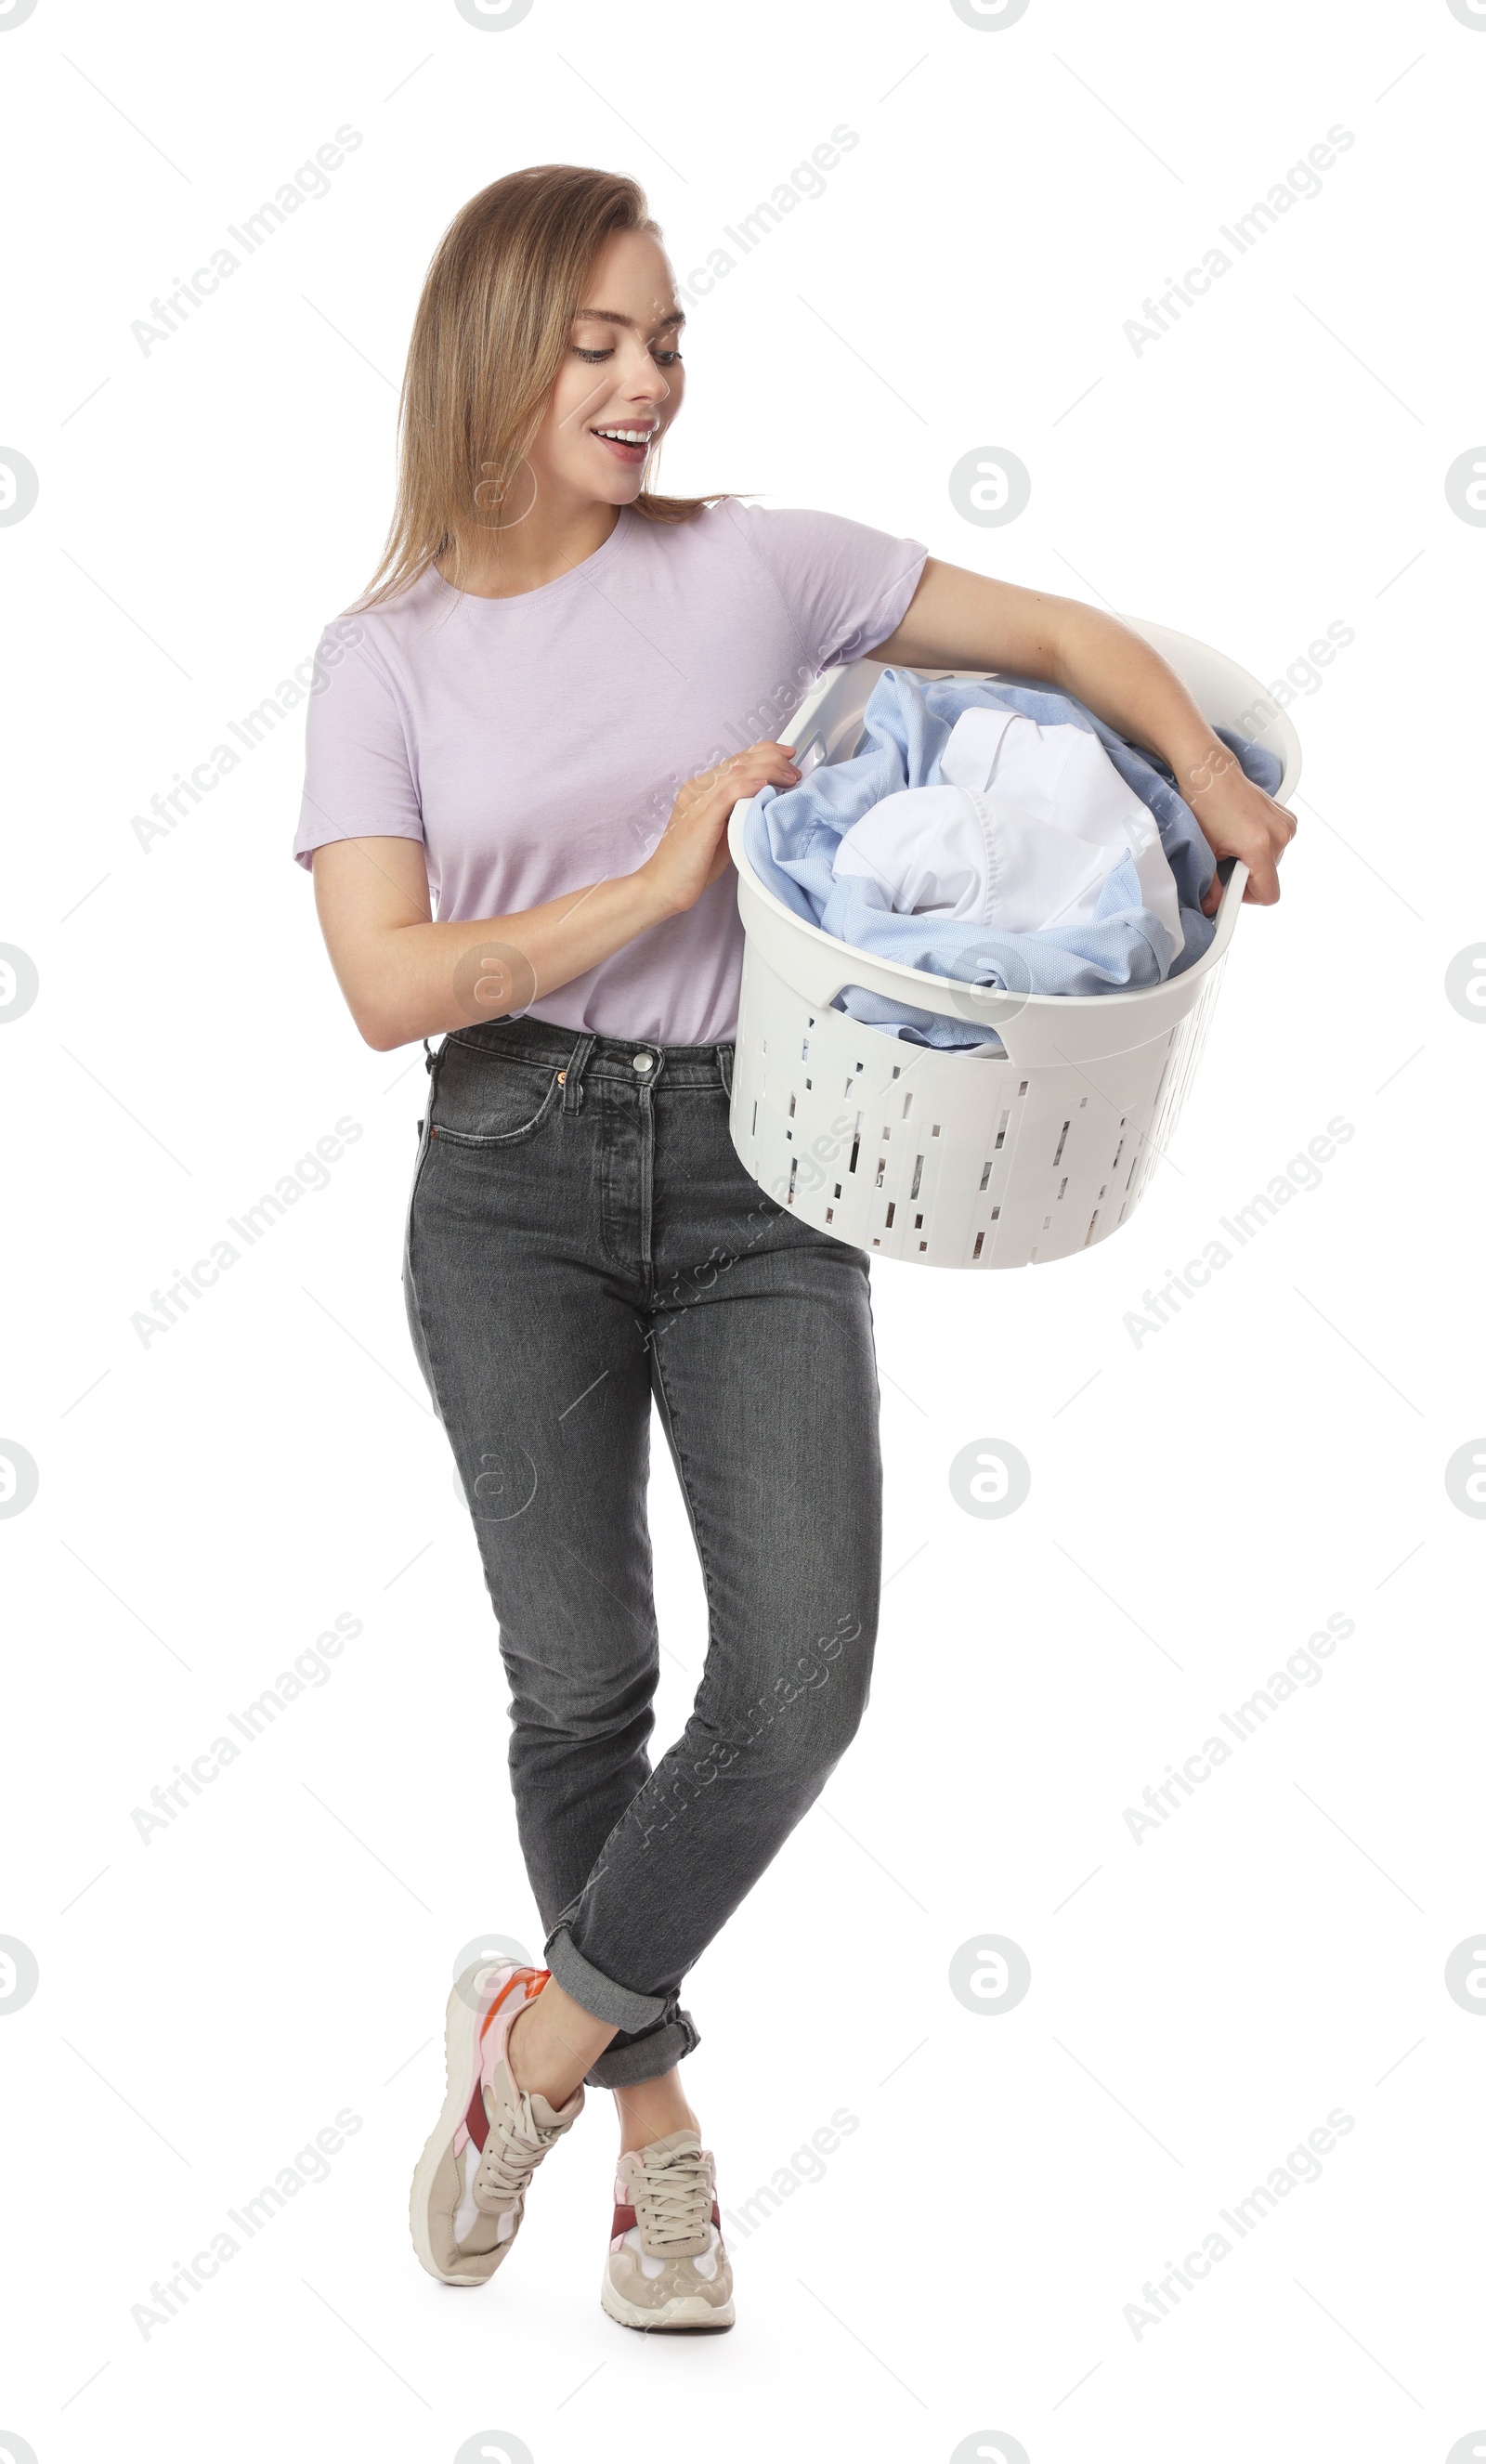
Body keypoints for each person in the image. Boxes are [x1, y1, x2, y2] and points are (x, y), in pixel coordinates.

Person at [294, 162, 1293, 2335]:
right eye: (598, 344)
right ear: (491, 357)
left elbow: (1043, 634)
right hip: (506, 1177)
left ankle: (532, 2055)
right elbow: (387, 983)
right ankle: (658, 2156)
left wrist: (1213, 793)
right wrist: (657, 880)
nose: (647, 379)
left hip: (765, 1175)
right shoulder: (380, 662)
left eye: (664, 338)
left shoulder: (758, 565)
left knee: (799, 1685)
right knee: (582, 1684)